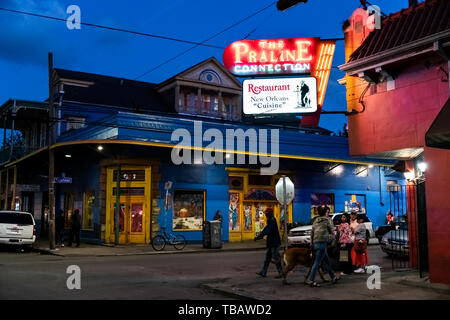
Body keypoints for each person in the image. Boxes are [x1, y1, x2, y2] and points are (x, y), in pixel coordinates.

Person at [306, 206, 340, 287]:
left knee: (327, 261)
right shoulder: (326, 221)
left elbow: (312, 232)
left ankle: (333, 277)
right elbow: (332, 232)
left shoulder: (315, 221)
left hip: (315, 243)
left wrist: (311, 242)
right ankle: (311, 280)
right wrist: (332, 240)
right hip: (322, 243)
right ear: (325, 213)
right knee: (317, 262)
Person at [254, 207, 283, 279]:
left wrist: (259, 237)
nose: (265, 215)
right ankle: (263, 272)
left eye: (266, 213)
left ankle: (281, 273)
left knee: (276, 258)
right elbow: (266, 230)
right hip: (271, 243)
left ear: (269, 214)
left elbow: (267, 230)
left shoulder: (272, 220)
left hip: (274, 243)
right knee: (267, 258)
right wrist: (260, 236)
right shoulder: (270, 220)